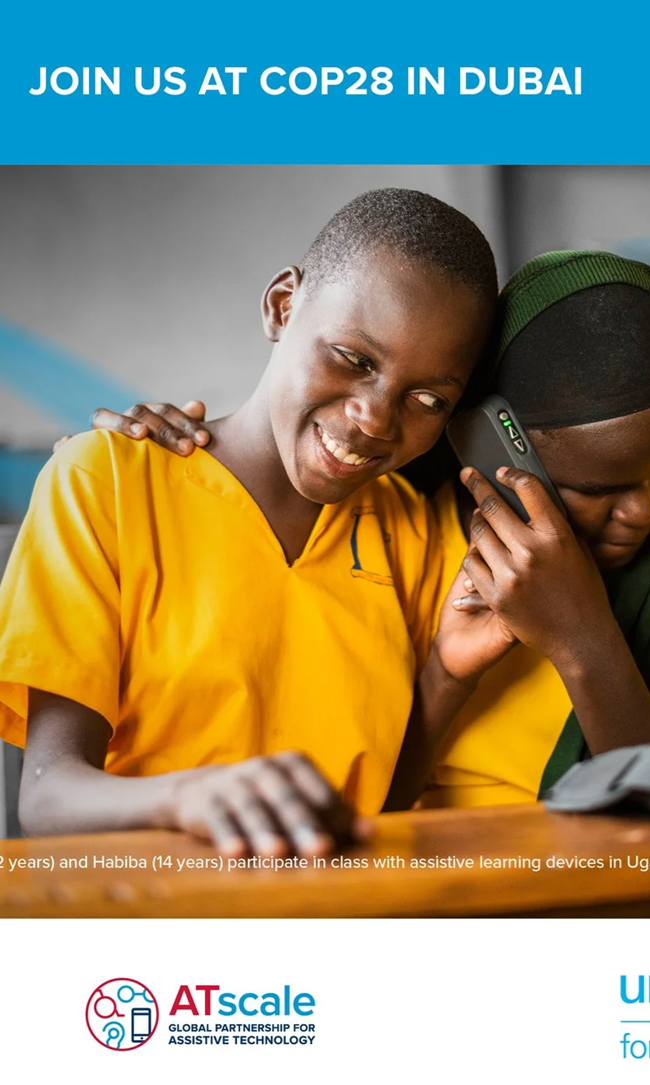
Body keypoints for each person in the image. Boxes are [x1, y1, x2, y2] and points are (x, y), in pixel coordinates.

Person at [105, 252, 650, 810]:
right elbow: (374, 786)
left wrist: (580, 636)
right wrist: (157, 445)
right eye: (595, 490)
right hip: (410, 872)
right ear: (491, 446)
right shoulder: (390, 511)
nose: (640, 511)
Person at [0, 187, 507, 853]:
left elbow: (381, 805)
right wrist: (190, 795)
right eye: (353, 360)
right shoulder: (109, 482)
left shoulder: (412, 534)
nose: (374, 419)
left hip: (323, 925)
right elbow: (46, 795)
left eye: (426, 398)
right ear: (282, 306)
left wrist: (447, 675)